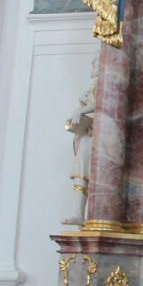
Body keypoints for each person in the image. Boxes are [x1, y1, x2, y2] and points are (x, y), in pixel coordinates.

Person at [61, 55, 98, 227]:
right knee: (80, 171)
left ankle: (82, 213)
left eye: (95, 61)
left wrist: (80, 109)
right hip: (87, 134)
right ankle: (79, 214)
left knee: (84, 171)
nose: (92, 63)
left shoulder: (106, 81)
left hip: (96, 135)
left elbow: (103, 102)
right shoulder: (95, 85)